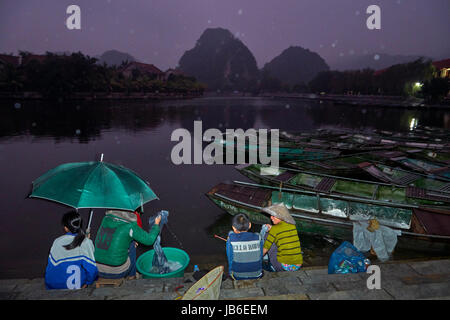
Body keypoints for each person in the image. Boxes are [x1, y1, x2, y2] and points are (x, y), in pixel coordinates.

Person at [94, 209, 161, 279]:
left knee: (121, 239)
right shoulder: (130, 226)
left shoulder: (106, 219)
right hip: (116, 272)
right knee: (132, 243)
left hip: (98, 269)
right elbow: (149, 240)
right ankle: (132, 275)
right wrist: (156, 225)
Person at [45, 210, 98, 290]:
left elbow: (50, 269)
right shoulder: (86, 242)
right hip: (77, 286)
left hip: (55, 286)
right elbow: (92, 270)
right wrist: (88, 283)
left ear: (66, 228)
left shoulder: (57, 241)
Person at [262, 203, 303, 272]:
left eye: (273, 216)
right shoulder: (292, 225)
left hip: (284, 267)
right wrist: (272, 229)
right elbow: (282, 232)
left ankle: (272, 267)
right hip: (297, 265)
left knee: (267, 236)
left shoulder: (275, 229)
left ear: (281, 217)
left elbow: (265, 249)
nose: (271, 218)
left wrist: (255, 260)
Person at [226, 213, 264, 280]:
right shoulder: (258, 237)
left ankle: (231, 274)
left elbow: (230, 259)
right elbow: (260, 256)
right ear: (249, 225)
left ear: (233, 227)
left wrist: (230, 272)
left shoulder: (231, 239)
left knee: (230, 236)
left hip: (238, 275)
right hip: (257, 274)